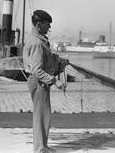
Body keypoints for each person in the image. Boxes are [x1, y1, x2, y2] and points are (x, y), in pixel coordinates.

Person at [23, 10, 69, 153]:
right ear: (38, 24)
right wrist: (55, 81)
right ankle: (40, 149)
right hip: (39, 83)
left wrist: (57, 60)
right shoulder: (37, 43)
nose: (49, 27)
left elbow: (43, 59)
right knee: (40, 117)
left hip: (39, 83)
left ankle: (42, 146)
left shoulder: (37, 39)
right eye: (47, 24)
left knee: (43, 116)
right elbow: (37, 70)